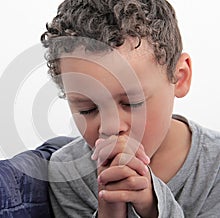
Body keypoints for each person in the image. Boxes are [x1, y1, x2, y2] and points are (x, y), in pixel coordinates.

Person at [40, 0, 220, 217]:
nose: (111, 127)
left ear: (179, 77)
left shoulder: (215, 167)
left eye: (131, 103)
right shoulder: (67, 173)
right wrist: (111, 209)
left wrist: (152, 207)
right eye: (87, 109)